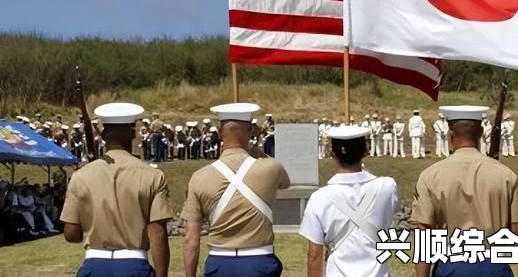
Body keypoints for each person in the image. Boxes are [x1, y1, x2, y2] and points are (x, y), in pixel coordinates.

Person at [410, 105, 518, 277]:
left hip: (451, 264)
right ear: (480, 133)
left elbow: (425, 234)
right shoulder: (506, 174)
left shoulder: (430, 176)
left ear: (450, 134)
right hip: (493, 263)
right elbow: (516, 228)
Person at [60, 102, 172, 277]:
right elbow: (158, 235)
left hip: (94, 264)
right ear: (133, 133)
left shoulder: (80, 176)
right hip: (134, 264)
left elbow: (71, 234)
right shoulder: (152, 176)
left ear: (103, 134)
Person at [181, 103, 290, 277]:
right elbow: (285, 183)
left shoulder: (199, 177)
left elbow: (191, 237)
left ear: (218, 132)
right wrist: (255, 150)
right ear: (251, 131)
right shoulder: (271, 167)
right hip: (259, 259)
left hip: (219, 261)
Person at [299, 125, 399, 277]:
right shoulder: (387, 186)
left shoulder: (319, 198)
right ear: (365, 151)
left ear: (332, 153)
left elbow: (314, 255)